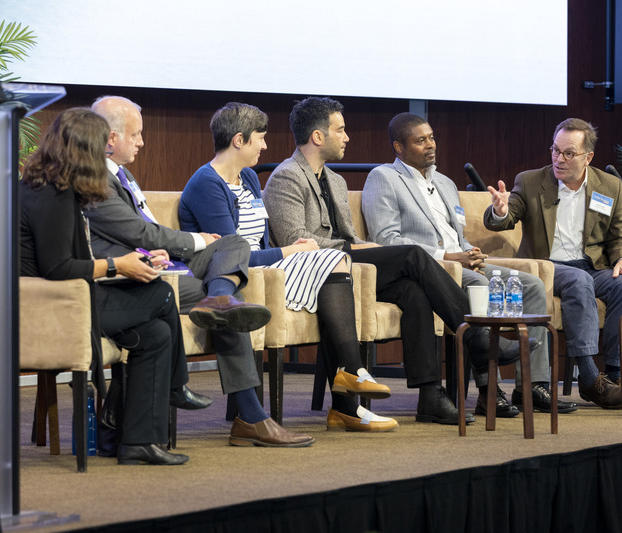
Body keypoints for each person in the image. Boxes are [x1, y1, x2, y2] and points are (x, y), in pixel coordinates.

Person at [263, 96, 522, 425]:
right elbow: (294, 242)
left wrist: (362, 245)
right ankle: (474, 334)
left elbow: (349, 236)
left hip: (349, 266)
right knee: (412, 254)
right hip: (314, 273)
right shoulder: (286, 178)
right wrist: (355, 248)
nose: (347, 137)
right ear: (318, 136)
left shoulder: (336, 181)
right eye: (340, 130)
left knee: (413, 290)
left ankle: (430, 395)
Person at [86, 96, 314, 447]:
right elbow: (138, 233)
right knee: (229, 303)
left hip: (160, 264)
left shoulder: (123, 174)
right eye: (136, 135)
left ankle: (219, 296)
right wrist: (189, 242)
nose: (142, 142)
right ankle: (251, 416)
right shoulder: (96, 178)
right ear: (111, 137)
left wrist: (158, 251)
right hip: (128, 279)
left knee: (233, 246)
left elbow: (145, 230)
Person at [179, 102, 396, 432]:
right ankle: (350, 383)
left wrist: (284, 254)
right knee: (331, 259)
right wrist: (287, 251)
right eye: (260, 139)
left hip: (269, 274)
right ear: (239, 140)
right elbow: (230, 256)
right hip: (238, 276)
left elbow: (261, 245)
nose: (266, 146)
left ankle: (348, 396)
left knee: (335, 263)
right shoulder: (206, 184)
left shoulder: (249, 177)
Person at [362, 112, 578, 416]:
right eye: (420, 140)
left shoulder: (446, 183)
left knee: (531, 285)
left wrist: (470, 252)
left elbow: (456, 234)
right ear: (399, 147)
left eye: (432, 137)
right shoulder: (384, 178)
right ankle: (490, 391)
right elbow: (387, 240)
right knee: (478, 286)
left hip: (462, 261)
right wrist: (450, 257)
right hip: (431, 267)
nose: (430, 145)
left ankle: (532, 386)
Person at [20, 108, 193, 464]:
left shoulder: (54, 187)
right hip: (51, 308)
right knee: (160, 294)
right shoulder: (51, 196)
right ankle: (176, 387)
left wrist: (132, 264)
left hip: (69, 297)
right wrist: (118, 265)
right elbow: (58, 269)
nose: (107, 157)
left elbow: (75, 261)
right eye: (102, 149)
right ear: (85, 151)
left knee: (157, 334)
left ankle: (135, 441)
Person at [484, 117, 622, 409]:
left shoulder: (609, 186)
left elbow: (620, 235)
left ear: (588, 157)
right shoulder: (531, 181)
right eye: (555, 150)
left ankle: (616, 376)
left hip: (591, 266)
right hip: (547, 268)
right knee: (577, 281)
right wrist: (499, 211)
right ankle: (589, 378)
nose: (559, 158)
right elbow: (506, 218)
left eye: (569, 153)